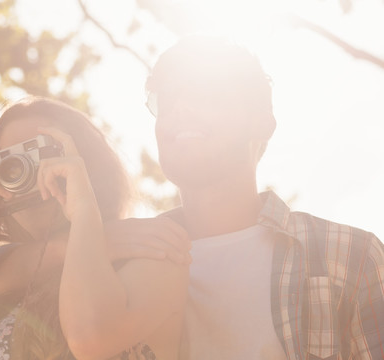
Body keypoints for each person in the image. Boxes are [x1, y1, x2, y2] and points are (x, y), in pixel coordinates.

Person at [137, 35, 384, 360]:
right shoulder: (122, 269)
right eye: (165, 97)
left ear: (262, 123)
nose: (179, 106)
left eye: (203, 88)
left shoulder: (352, 258)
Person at [0, 96, 191, 360]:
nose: (24, 172)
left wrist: (83, 215)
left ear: (87, 163)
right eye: (7, 164)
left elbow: (90, 338)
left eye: (42, 154)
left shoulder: (150, 250)